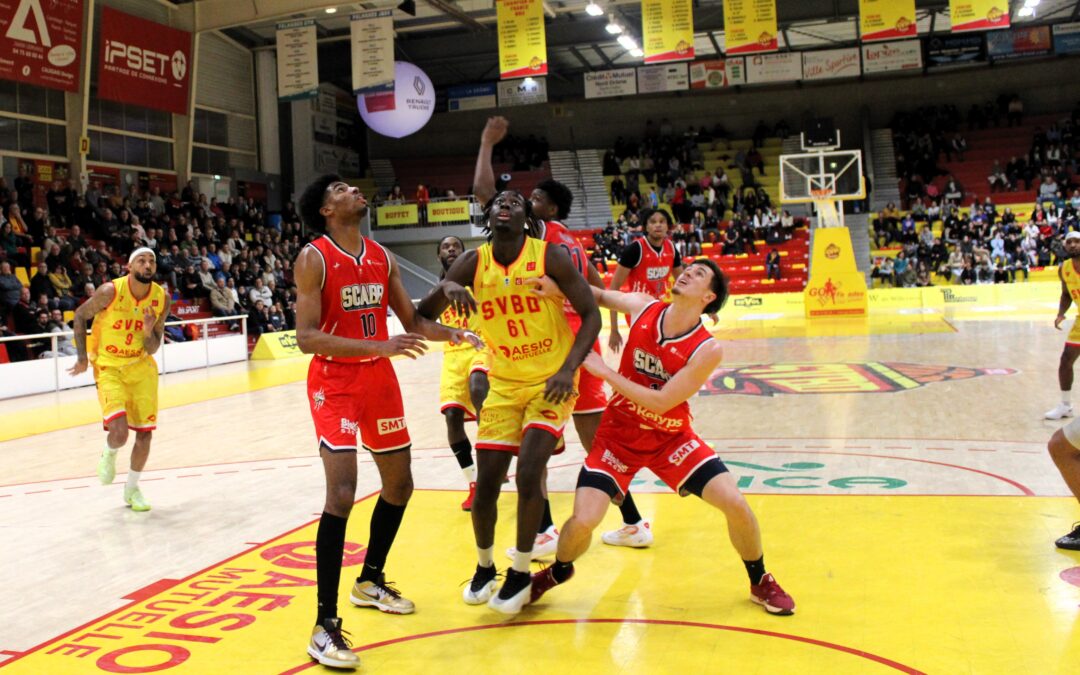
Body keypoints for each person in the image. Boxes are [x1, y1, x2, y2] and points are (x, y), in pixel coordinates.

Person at [527, 259, 796, 616]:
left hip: (671, 438)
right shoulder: (644, 307)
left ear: (708, 297)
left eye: (699, 274)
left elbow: (663, 400)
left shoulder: (707, 348)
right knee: (583, 521)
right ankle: (559, 571)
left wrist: (604, 371)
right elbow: (600, 295)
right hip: (619, 434)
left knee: (736, 504)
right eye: (687, 268)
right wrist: (557, 287)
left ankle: (760, 580)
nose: (686, 273)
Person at [295, 174, 481, 670]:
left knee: (400, 486)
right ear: (325, 210)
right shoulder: (314, 257)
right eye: (339, 189)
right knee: (341, 492)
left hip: (378, 381)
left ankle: (369, 579)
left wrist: (460, 335)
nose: (353, 190)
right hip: (333, 383)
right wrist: (380, 346)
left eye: (353, 187)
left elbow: (414, 323)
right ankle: (324, 624)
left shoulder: (382, 256)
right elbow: (308, 337)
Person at [418, 189, 600, 615]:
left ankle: (520, 571)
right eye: (499, 200)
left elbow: (591, 313)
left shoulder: (548, 255)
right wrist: (447, 286)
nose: (506, 204)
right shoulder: (472, 262)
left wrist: (568, 369)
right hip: (501, 382)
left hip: (548, 383)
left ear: (525, 217)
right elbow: (422, 315)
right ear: (488, 215)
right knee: (485, 489)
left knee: (529, 472)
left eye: (516, 202)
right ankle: (485, 567)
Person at [473, 117, 631, 556]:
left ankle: (550, 529)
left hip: (563, 347)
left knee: (553, 450)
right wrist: (614, 323)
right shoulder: (573, 242)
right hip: (584, 343)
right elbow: (598, 287)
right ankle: (629, 521)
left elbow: (486, 197)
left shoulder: (541, 237)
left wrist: (486, 145)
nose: (525, 201)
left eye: (535, 198)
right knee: (588, 444)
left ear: (547, 210)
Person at [67, 248, 170, 513]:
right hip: (109, 367)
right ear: (128, 266)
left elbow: (153, 347)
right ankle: (109, 453)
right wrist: (82, 357)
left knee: (145, 435)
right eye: (141, 260)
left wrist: (148, 330)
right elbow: (79, 316)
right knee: (120, 433)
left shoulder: (161, 298)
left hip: (141, 368)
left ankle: (132, 488)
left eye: (151, 262)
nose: (148, 265)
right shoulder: (109, 292)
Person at [435, 235, 491, 511]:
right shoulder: (438, 291)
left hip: (481, 346)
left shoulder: (477, 280)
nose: (451, 249)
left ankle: (494, 452)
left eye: (456, 245)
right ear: (439, 257)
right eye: (445, 247)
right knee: (452, 417)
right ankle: (473, 483)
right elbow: (423, 321)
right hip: (452, 355)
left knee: (479, 387)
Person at [1047, 232, 1080, 420]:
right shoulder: (1064, 268)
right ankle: (1065, 406)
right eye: (1070, 242)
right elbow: (1066, 294)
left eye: (1077, 241)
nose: (1073, 245)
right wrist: (1061, 313)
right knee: (1066, 361)